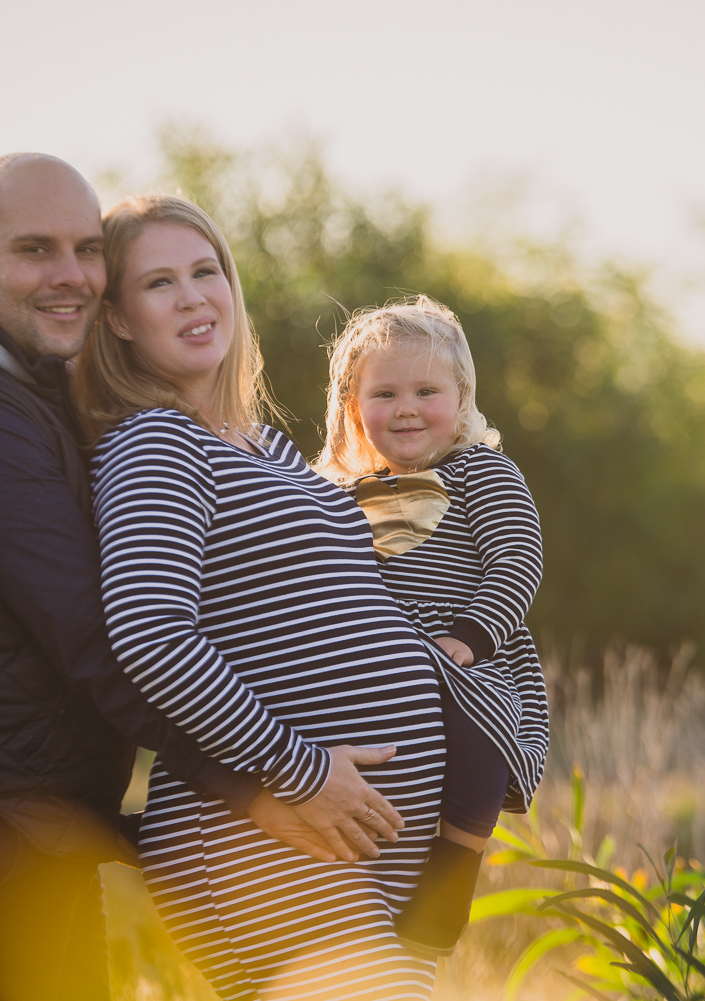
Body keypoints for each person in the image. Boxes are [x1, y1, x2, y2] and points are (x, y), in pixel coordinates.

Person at [0, 154, 397, 1001]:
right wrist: (266, 782)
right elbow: (99, 632)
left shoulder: (15, 387)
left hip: (28, 820)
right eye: (36, 250)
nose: (71, 275)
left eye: (87, 249)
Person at [72, 193, 448, 1001]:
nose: (193, 297)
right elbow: (150, 632)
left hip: (351, 843)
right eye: (160, 283)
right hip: (263, 838)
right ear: (120, 319)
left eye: (205, 271)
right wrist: (300, 768)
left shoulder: (266, 445)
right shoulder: (155, 442)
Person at [313, 296, 550, 954]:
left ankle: (455, 867)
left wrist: (468, 638)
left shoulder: (481, 472)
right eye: (384, 393)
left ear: (461, 397)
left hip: (470, 655)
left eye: (426, 391)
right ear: (353, 405)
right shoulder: (345, 495)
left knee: (479, 738)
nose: (406, 408)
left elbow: (518, 559)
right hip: (381, 657)